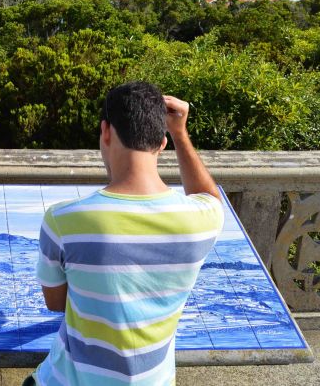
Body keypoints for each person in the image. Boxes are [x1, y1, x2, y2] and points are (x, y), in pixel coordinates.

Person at [27, 81, 223, 386]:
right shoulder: (202, 221)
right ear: (161, 143)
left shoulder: (63, 221)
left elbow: (56, 303)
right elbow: (210, 197)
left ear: (106, 131)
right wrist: (180, 133)